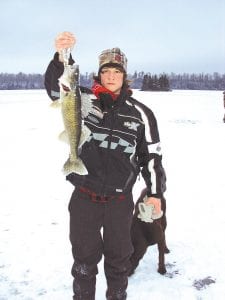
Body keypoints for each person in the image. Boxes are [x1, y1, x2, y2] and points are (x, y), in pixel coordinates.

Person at [44, 31, 166, 300]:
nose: (111, 76)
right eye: (106, 71)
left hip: (119, 202)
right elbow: (57, 88)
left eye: (117, 71)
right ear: (99, 75)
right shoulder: (84, 102)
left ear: (124, 76)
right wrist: (61, 56)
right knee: (84, 264)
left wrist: (156, 194)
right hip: (84, 198)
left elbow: (153, 158)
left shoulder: (141, 114)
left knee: (118, 262)